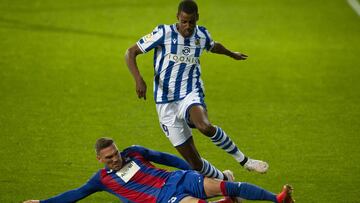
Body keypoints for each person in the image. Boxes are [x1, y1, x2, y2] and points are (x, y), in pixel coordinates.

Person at [125, 0, 268, 180]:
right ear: (178, 17)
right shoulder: (164, 33)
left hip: (189, 93)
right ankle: (225, 179)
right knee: (195, 164)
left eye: (192, 21)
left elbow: (213, 45)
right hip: (164, 102)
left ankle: (245, 161)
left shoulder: (201, 35)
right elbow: (130, 53)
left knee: (205, 126)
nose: (188, 26)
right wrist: (138, 79)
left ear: (197, 18)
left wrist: (232, 54)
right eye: (184, 21)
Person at [23, 137, 294, 203]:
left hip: (179, 179)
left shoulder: (134, 152)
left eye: (115, 153)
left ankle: (277, 199)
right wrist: (43, 202)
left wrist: (192, 167)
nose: (115, 158)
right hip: (166, 199)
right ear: (99, 159)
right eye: (109, 157)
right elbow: (75, 194)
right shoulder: (102, 179)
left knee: (228, 185)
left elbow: (165, 156)